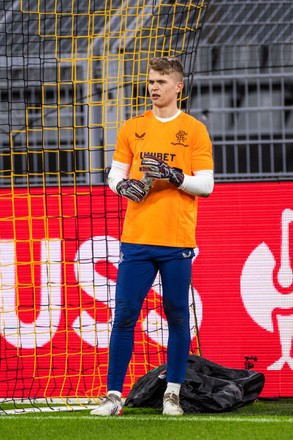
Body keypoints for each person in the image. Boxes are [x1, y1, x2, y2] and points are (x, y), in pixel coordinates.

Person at [91, 56, 214, 417]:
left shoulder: (193, 130)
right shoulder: (132, 128)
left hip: (176, 240)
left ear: (179, 87)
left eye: (161, 81)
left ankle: (171, 395)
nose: (154, 87)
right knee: (125, 315)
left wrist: (175, 177)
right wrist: (123, 186)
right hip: (137, 239)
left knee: (177, 315)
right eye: (151, 81)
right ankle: (114, 397)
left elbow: (206, 185)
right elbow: (114, 174)